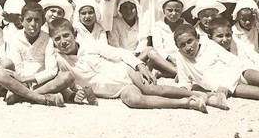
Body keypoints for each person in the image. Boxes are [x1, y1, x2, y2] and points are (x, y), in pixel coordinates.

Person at [51, 17, 207, 110]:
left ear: (75, 34)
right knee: (134, 100)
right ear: (53, 43)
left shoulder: (90, 45)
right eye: (57, 39)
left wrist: (139, 65)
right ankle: (186, 103)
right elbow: (66, 85)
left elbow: (120, 52)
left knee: (152, 89)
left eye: (66, 36)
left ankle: (197, 94)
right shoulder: (61, 61)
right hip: (117, 90)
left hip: (125, 71)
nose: (63, 41)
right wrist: (74, 95)